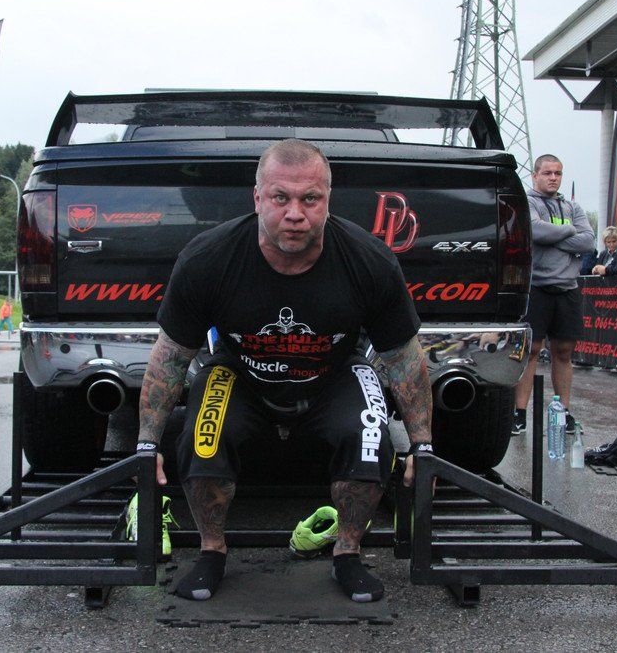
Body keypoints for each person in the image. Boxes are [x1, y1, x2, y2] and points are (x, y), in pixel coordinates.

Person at [135, 139, 431, 603]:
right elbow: (170, 358)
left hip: (333, 374)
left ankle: (347, 552)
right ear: (258, 198)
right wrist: (147, 444)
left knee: (370, 435)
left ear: (327, 201)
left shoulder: (368, 260)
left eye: (310, 199)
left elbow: (404, 359)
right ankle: (211, 551)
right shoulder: (208, 258)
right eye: (281, 198)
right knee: (201, 438)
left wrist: (422, 447)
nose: (295, 214)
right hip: (242, 376)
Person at [513, 154, 594, 436]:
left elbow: (588, 241)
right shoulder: (528, 202)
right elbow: (536, 231)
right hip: (536, 287)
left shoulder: (572, 206)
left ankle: (564, 413)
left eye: (558, 173)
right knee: (531, 351)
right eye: (547, 173)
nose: (553, 178)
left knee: (563, 352)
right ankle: (519, 413)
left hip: (567, 289)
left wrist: (555, 237)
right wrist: (569, 231)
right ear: (535, 175)